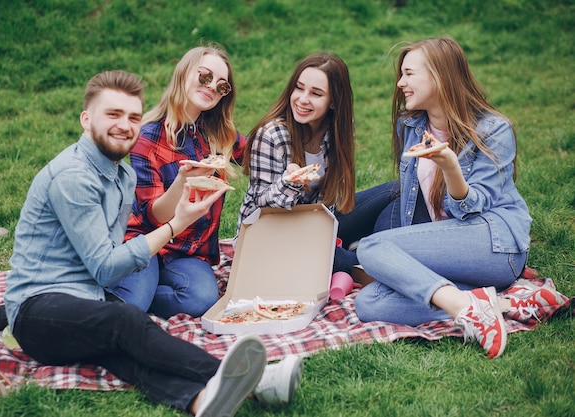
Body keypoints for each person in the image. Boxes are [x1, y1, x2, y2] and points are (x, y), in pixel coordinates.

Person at [0, 70, 302, 415]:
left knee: (126, 349)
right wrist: (178, 224)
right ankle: (254, 380)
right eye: (113, 114)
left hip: (81, 300)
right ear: (86, 119)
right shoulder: (73, 177)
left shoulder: (121, 174)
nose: (125, 125)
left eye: (133, 117)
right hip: (38, 309)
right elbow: (105, 268)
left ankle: (199, 400)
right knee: (126, 322)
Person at [353, 36, 562, 359]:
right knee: (369, 302)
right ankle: (494, 304)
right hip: (452, 248)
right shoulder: (409, 126)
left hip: (496, 243)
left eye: (409, 74)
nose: (400, 83)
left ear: (439, 76)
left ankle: (467, 306)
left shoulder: (494, 130)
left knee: (371, 246)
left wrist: (451, 167)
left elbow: (470, 210)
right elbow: (417, 209)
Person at [107, 45, 248, 319]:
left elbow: (259, 154)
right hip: (145, 240)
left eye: (222, 86)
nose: (211, 88)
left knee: (201, 298)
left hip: (187, 252)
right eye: (205, 76)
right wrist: (183, 182)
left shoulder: (219, 133)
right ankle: (118, 291)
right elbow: (154, 214)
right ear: (184, 73)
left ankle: (128, 291)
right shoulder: (147, 137)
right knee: (132, 303)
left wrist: (290, 160)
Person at [238, 52, 398, 284]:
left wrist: (324, 234)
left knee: (396, 190)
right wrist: (289, 182)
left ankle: (376, 253)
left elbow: (330, 200)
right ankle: (365, 262)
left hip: (316, 223)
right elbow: (262, 206)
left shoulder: (339, 131)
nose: (303, 99)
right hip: (269, 236)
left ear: (333, 102)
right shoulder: (272, 134)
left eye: (316, 93)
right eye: (299, 88)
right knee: (341, 260)